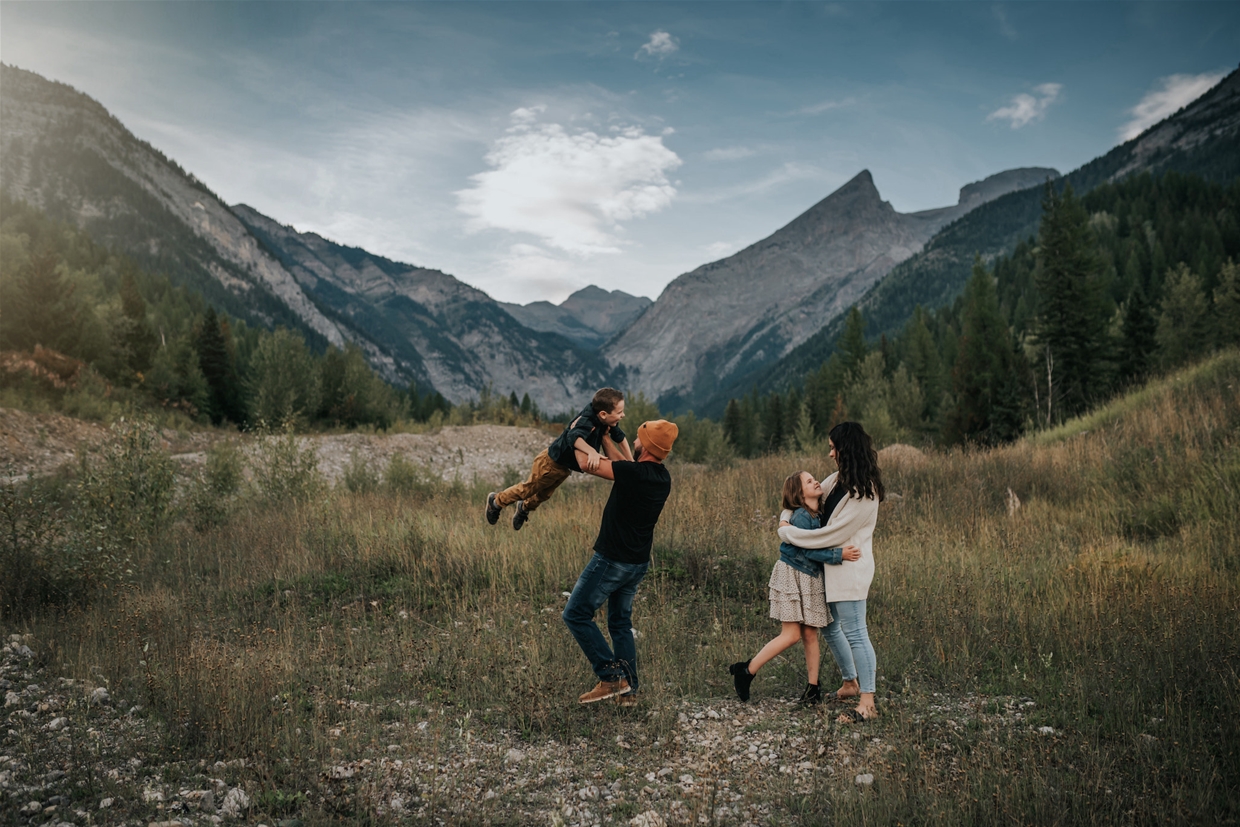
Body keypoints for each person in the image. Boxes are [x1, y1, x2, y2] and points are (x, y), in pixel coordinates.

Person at [561, 420, 678, 706]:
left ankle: (611, 677)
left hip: (612, 560)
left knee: (575, 614)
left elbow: (588, 464)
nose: (634, 443)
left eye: (638, 439)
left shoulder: (633, 472)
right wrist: (605, 438)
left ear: (647, 447)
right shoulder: (661, 477)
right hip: (637, 564)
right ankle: (629, 692)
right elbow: (623, 465)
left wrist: (575, 436)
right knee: (620, 623)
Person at [777, 421, 884, 723]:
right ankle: (850, 683)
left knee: (856, 633)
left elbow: (832, 534)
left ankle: (867, 701)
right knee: (830, 628)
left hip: (850, 568)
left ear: (846, 450)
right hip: (830, 569)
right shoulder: (837, 480)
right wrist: (787, 518)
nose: (830, 454)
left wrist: (788, 534)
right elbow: (799, 497)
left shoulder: (865, 493)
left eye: (834, 448)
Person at [729, 471, 860, 704]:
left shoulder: (816, 514)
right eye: (809, 481)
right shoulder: (801, 517)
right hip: (792, 573)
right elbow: (809, 549)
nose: (816, 481)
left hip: (810, 577)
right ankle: (747, 670)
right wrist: (838, 554)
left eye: (814, 478)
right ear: (800, 493)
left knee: (810, 634)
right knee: (790, 636)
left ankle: (812, 689)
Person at [486, 387, 633, 530]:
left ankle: (523, 507)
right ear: (603, 414)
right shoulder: (587, 420)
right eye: (619, 412)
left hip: (563, 468)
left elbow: (620, 438)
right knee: (527, 490)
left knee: (544, 495)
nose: (623, 415)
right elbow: (573, 437)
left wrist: (632, 463)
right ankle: (496, 502)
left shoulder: (608, 419)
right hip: (550, 463)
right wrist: (592, 452)